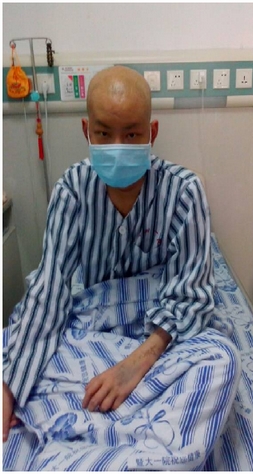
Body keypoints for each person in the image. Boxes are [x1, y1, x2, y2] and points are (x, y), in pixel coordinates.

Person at [3, 66, 236, 444]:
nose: (117, 145)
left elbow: (192, 296)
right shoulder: (72, 190)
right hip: (94, 332)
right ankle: (133, 426)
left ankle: (126, 435)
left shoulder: (184, 192)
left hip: (161, 338)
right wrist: (9, 387)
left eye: (131, 134)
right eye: (103, 133)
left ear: (152, 132)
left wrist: (134, 366)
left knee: (222, 358)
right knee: (19, 350)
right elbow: (50, 288)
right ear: (86, 131)